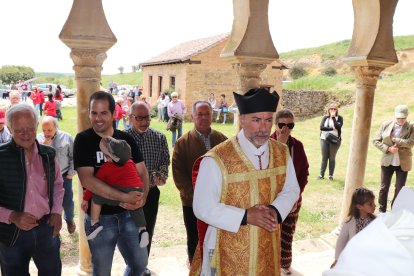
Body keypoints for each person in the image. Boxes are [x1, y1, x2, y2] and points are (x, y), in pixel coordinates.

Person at [191, 88, 300, 276]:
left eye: (268, 120)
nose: (264, 128)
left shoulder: (282, 152)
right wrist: (245, 216)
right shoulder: (217, 158)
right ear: (242, 120)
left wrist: (275, 211)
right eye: (256, 120)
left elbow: (291, 189)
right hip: (226, 247)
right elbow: (203, 206)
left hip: (268, 243)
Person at [73, 91, 150, 275]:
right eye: (94, 113)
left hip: (130, 215)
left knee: (139, 265)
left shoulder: (126, 139)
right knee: (101, 271)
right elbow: (87, 180)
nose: (98, 118)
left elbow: (142, 172)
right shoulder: (83, 140)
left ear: (114, 113)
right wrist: (125, 196)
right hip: (100, 219)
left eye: (103, 113)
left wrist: (143, 198)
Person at [0, 103, 64, 275]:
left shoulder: (48, 154)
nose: (26, 134)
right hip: (12, 233)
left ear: (36, 126)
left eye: (30, 128)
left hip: (46, 229)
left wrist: (57, 212)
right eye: (19, 130)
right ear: (9, 128)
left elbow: (58, 185)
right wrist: (12, 216)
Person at [172, 100, 227, 266]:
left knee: (218, 235)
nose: (204, 118)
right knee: (194, 238)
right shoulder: (183, 143)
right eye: (200, 114)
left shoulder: (222, 140)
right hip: (192, 202)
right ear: (192, 116)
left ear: (212, 115)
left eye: (207, 114)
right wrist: (196, 195)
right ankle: (195, 266)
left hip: (219, 201)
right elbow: (178, 173)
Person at [126, 101, 170, 276]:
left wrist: (161, 175)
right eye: (139, 118)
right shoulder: (122, 138)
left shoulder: (159, 138)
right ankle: (132, 267)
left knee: (147, 232)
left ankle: (141, 266)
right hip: (128, 195)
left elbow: (165, 162)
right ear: (130, 118)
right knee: (129, 233)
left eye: (147, 117)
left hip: (151, 194)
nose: (144, 121)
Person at [82, 136, 149, 247]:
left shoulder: (106, 167)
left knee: (96, 197)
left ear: (110, 158)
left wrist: (85, 198)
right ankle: (142, 230)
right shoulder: (131, 163)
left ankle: (94, 223)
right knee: (136, 206)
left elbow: (94, 186)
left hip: (121, 191)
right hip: (138, 190)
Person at [270, 109, 309, 275]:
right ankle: (268, 264)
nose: (285, 129)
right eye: (282, 125)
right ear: (275, 125)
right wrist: (280, 145)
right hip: (270, 198)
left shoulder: (297, 146)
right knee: (269, 233)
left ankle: (285, 265)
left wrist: (296, 194)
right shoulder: (266, 143)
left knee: (287, 232)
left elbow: (304, 172)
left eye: (290, 125)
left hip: (292, 199)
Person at [37, 116, 77, 234]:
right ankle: (54, 227)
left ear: (56, 127)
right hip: (46, 178)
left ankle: (69, 220)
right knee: (49, 203)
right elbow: (35, 160)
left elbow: (74, 157)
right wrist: (44, 146)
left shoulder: (67, 137)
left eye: (49, 130)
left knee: (67, 202)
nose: (46, 133)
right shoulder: (38, 139)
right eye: (44, 130)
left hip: (64, 176)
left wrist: (70, 174)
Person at [373, 104, 414, 213]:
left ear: (407, 116)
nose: (400, 120)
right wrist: (387, 149)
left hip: (403, 163)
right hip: (387, 162)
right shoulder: (385, 124)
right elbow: (375, 141)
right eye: (398, 118)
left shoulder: (411, 126)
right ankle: (382, 212)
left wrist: (394, 139)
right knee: (384, 188)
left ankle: (395, 211)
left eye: (403, 118)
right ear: (395, 116)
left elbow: (411, 143)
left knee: (400, 188)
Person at [331, 187, 376, 268]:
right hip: (352, 257)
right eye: (370, 204)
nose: (374, 205)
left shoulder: (375, 221)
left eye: (373, 202)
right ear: (359, 206)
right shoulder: (349, 222)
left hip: (368, 258)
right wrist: (337, 259)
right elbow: (341, 241)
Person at [318, 103, 343, 180]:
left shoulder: (339, 118)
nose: (332, 110)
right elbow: (321, 127)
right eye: (331, 109)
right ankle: (321, 175)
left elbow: (338, 126)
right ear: (328, 110)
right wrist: (332, 129)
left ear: (336, 110)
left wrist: (333, 117)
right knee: (324, 157)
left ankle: (330, 175)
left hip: (334, 140)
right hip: (324, 139)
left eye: (334, 109)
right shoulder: (325, 118)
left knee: (332, 158)